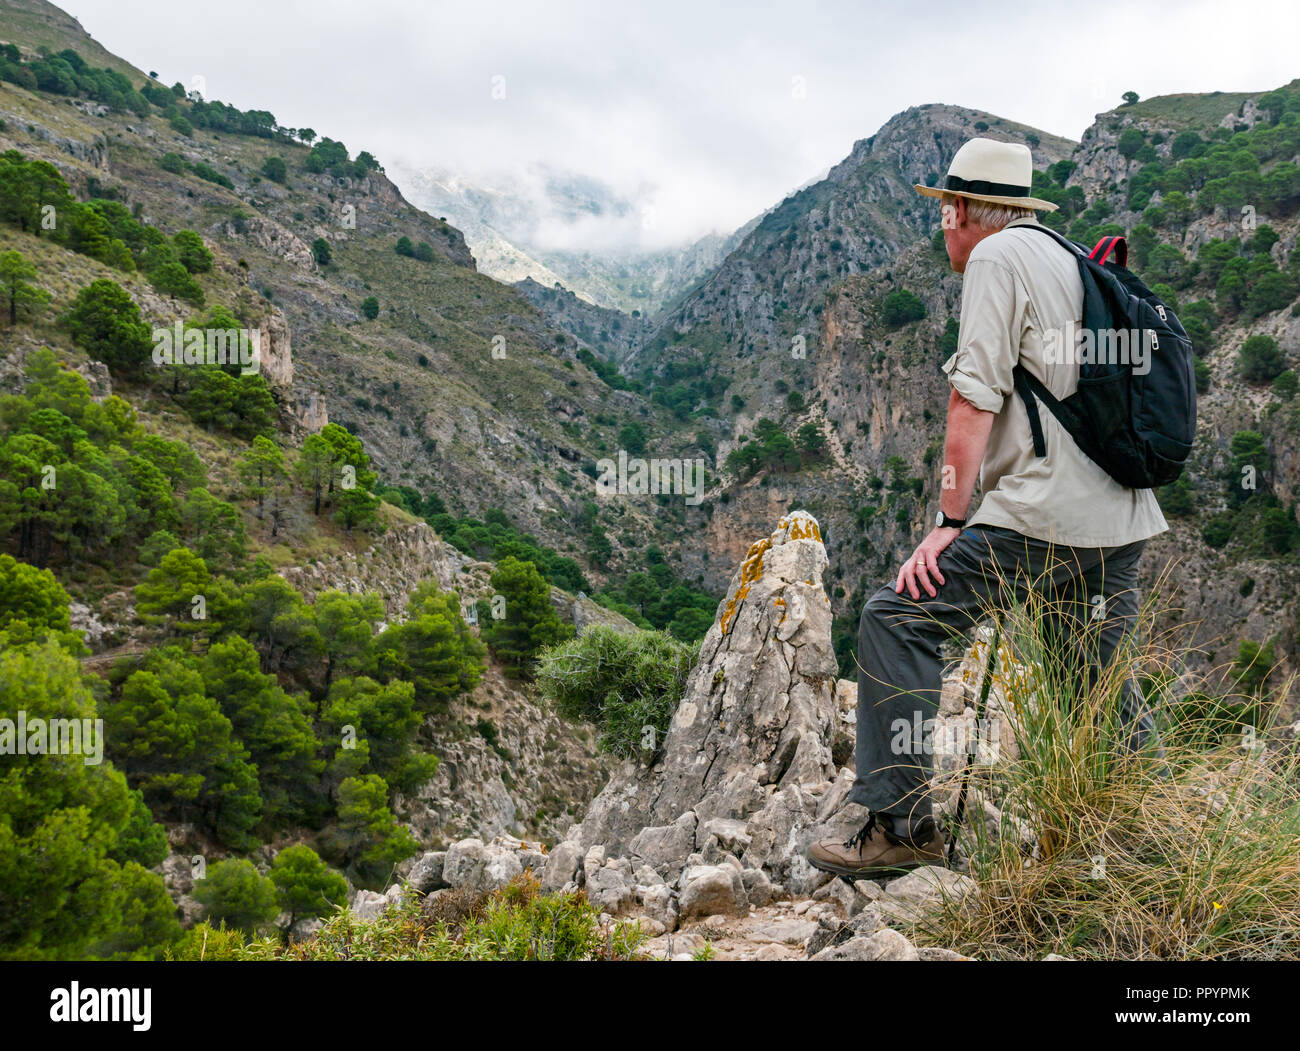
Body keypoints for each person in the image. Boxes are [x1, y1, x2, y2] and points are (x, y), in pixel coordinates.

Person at [807, 138, 1167, 878]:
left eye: (946, 210)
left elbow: (972, 396)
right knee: (1093, 681)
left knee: (898, 617)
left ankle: (901, 826)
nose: (943, 225)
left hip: (1043, 516)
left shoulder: (996, 260)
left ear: (966, 210)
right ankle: (1152, 841)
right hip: (1124, 519)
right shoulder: (1070, 259)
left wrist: (949, 521)